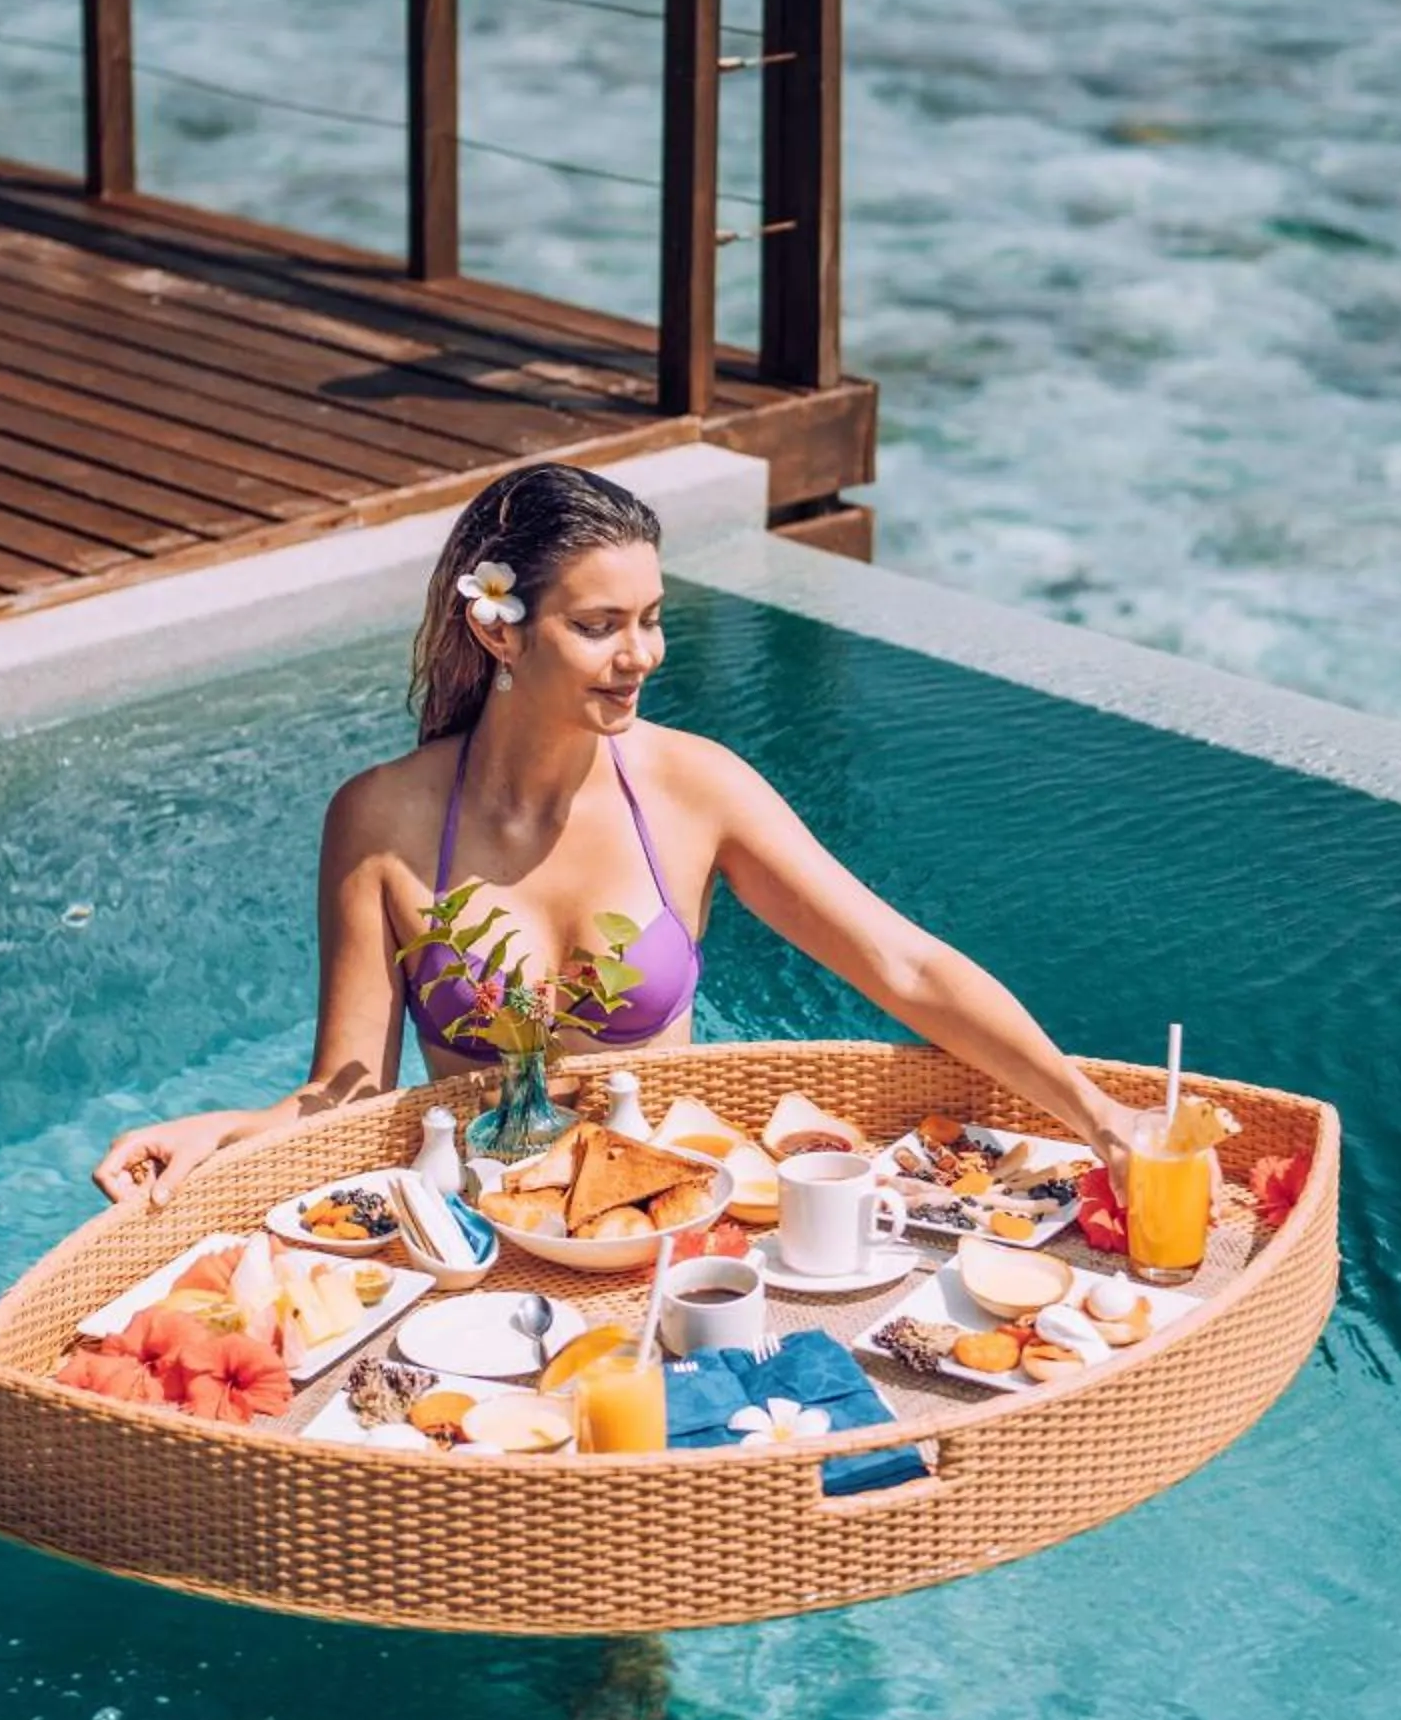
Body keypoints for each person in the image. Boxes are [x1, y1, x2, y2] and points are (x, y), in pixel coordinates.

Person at [92, 463, 1139, 1208]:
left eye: (649, 617)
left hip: (667, 1207)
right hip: (485, 1219)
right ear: (498, 626)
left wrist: (1099, 1119)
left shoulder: (694, 789)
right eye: (598, 626)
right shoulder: (381, 819)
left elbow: (901, 966)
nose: (640, 655)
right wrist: (221, 1133)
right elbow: (351, 1090)